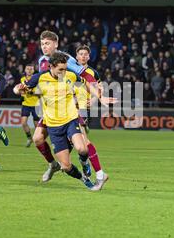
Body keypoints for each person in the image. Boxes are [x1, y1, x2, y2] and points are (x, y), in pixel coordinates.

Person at [30, 30, 115, 183]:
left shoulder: (66, 59)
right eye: (42, 44)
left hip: (72, 105)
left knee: (83, 141)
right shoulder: (42, 60)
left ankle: (94, 169)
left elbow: (86, 76)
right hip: (53, 109)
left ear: (56, 44)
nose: (44, 47)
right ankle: (53, 164)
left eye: (47, 43)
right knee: (37, 138)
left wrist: (99, 96)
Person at [20, 51, 95, 189]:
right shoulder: (40, 78)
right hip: (53, 123)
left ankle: (84, 163)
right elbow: (24, 89)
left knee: (83, 149)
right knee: (66, 167)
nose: (63, 72)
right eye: (61, 69)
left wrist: (95, 97)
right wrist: (20, 89)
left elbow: (85, 84)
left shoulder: (70, 76)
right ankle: (83, 178)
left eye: (65, 69)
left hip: (70, 119)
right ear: (51, 67)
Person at [74, 44, 108, 191]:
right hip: (69, 109)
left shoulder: (92, 73)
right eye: (80, 54)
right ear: (76, 56)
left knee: (83, 141)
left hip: (83, 109)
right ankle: (86, 167)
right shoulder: (70, 70)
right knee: (77, 142)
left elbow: (100, 89)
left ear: (88, 56)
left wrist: (93, 101)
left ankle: (97, 172)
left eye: (85, 54)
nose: (82, 56)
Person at [20, 64, 40, 147]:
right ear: (25, 70)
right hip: (26, 104)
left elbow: (40, 92)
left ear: (33, 70)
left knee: (36, 125)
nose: (29, 70)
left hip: (36, 104)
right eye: (27, 69)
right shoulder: (22, 79)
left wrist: (31, 92)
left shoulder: (37, 79)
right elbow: (22, 91)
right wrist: (20, 91)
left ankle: (37, 139)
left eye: (31, 69)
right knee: (23, 122)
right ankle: (29, 138)